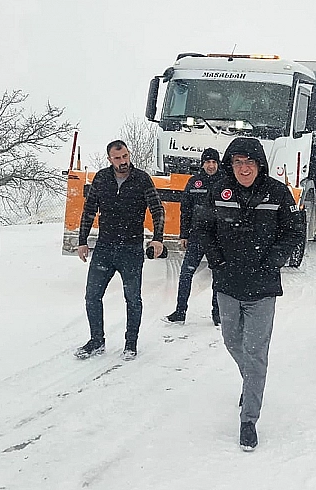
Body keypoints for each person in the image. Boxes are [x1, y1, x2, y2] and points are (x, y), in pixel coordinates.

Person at [198, 137, 303, 451]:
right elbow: (202, 228)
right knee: (233, 342)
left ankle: (249, 420)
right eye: (238, 163)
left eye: (249, 163)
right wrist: (217, 261)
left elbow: (294, 231)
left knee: (255, 353)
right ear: (230, 165)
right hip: (228, 285)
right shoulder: (219, 191)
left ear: (260, 165)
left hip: (262, 288)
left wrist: (273, 261)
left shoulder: (277, 193)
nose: (244, 169)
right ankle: (252, 381)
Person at [75, 140, 165, 361]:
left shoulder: (142, 179)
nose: (122, 161)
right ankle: (96, 341)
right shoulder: (101, 178)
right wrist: (82, 240)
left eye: (125, 156)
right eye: (117, 158)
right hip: (105, 247)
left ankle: (130, 343)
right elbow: (89, 210)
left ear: (129, 154)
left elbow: (157, 210)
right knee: (92, 296)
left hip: (131, 249)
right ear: (110, 159)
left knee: (133, 299)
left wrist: (157, 239)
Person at [164, 147, 225, 326]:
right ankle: (180, 312)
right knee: (186, 273)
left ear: (218, 164)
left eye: (214, 162)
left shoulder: (225, 182)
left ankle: (217, 314)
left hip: (218, 238)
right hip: (197, 236)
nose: (211, 166)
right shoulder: (194, 182)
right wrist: (184, 234)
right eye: (207, 162)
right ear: (202, 164)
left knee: (219, 276)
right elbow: (186, 210)